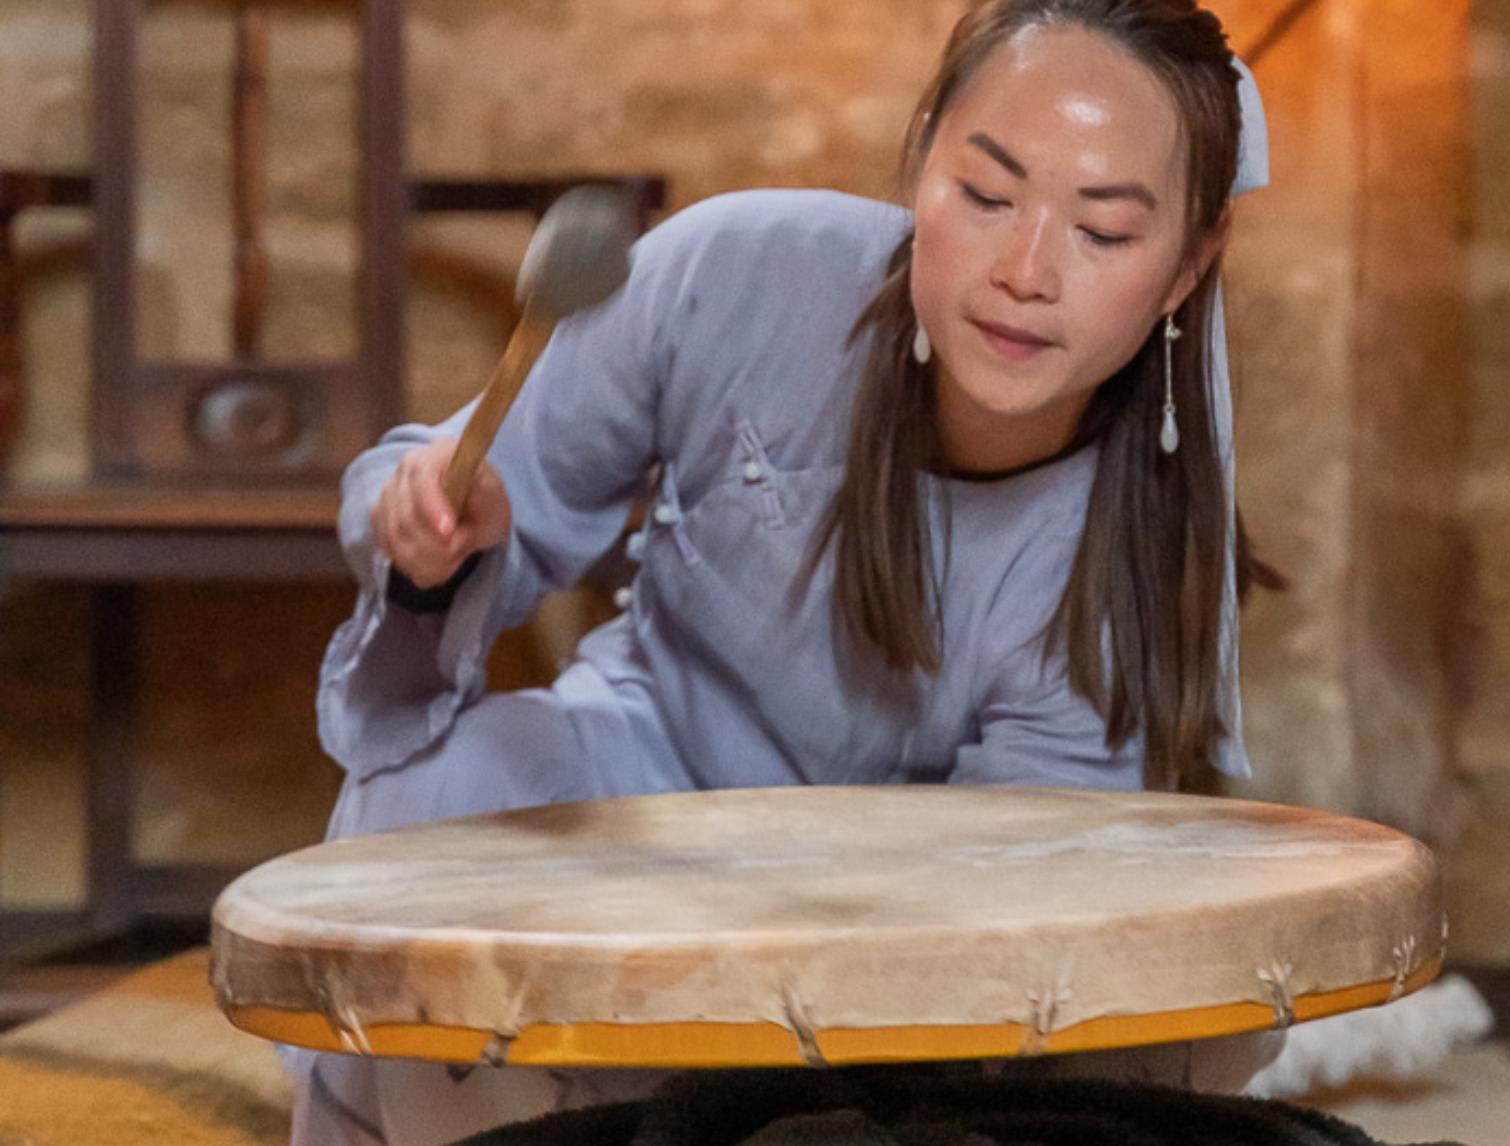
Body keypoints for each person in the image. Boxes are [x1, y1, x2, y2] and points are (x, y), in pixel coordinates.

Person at [291, 1, 1277, 1142]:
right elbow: (461, 473)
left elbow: (1007, 905)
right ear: (923, 160)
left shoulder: (1131, 566)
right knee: (437, 804)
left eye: (1103, 232)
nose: (1024, 270)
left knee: (1161, 1023)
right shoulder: (737, 267)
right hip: (638, 787)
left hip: (890, 910)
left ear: (1183, 270)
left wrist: (784, 970)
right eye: (986, 194)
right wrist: (431, 520)